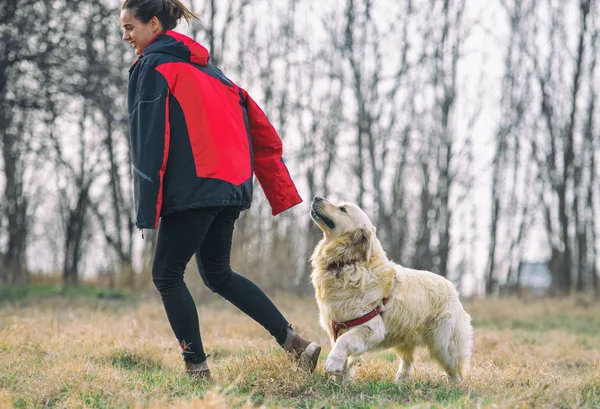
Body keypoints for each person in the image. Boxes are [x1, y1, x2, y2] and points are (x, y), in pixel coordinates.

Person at [119, 0, 321, 381]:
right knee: (217, 273)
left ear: (155, 25)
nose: (126, 37)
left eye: (130, 28)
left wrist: (147, 207)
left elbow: (148, 139)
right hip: (232, 185)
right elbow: (259, 130)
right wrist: (267, 185)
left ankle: (197, 370)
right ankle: (295, 343)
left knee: (166, 274)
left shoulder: (154, 67)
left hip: (195, 186)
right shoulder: (217, 75)